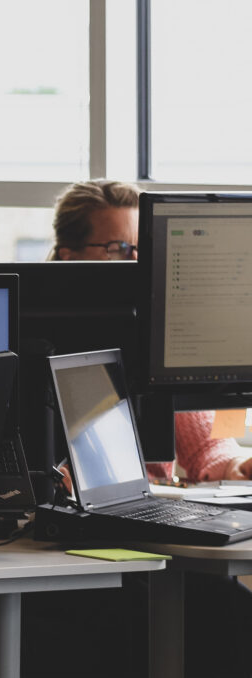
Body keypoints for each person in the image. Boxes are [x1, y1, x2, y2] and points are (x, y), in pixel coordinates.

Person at [50, 179, 252, 482]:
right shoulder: (37, 338)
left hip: (150, 512)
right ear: (68, 255)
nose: (136, 263)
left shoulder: (160, 331)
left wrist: (238, 465)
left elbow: (207, 448)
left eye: (141, 249)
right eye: (118, 249)